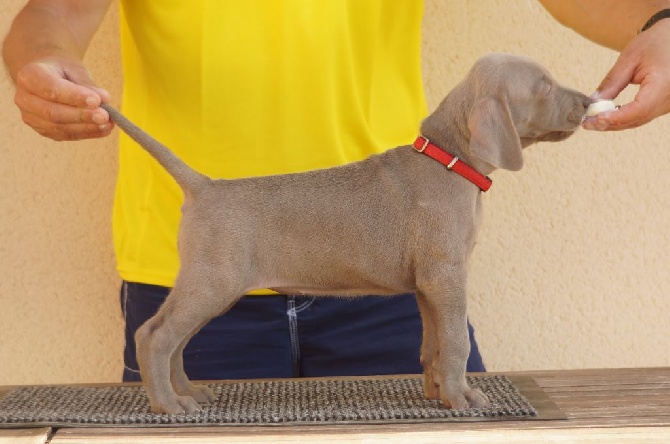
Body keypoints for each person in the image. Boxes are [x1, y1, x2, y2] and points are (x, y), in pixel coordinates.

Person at [3, 1, 669, 382]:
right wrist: (39, 65)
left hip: (390, 276)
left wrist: (660, 19)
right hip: (200, 267)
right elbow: (54, 12)